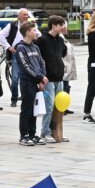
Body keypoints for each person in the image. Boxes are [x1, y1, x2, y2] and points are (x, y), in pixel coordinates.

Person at [35, 16, 70, 144]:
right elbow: (37, 57)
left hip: (59, 77)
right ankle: (45, 132)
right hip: (48, 78)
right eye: (61, 25)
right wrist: (40, 76)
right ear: (54, 25)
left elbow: (64, 53)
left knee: (59, 107)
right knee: (49, 106)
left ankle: (57, 132)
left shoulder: (60, 40)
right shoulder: (42, 40)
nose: (63, 27)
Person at [13, 22, 47, 147]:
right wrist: (39, 77)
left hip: (37, 82)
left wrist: (42, 78)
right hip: (27, 83)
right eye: (34, 30)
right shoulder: (21, 48)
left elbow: (41, 63)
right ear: (27, 32)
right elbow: (26, 66)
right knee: (26, 109)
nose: (36, 32)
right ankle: (24, 135)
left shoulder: (35, 47)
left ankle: (33, 134)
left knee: (35, 109)